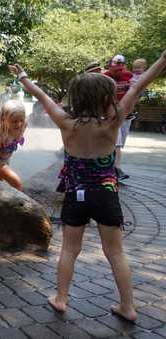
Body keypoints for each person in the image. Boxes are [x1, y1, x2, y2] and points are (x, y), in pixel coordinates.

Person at [9, 49, 166, 323]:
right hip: (106, 195)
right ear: (107, 98)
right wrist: (163, 59)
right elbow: (140, 84)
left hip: (76, 196)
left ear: (77, 97)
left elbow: (41, 96)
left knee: (70, 249)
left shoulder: (66, 123)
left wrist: (22, 76)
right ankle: (127, 306)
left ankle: (61, 298)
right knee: (116, 251)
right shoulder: (113, 123)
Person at [104, 55, 134, 181]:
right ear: (110, 66)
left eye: (121, 67)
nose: (119, 71)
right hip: (111, 114)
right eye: (116, 67)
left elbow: (137, 88)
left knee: (120, 144)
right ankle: (116, 169)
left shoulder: (128, 76)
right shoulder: (104, 77)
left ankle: (109, 167)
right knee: (117, 142)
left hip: (126, 114)